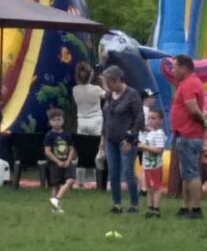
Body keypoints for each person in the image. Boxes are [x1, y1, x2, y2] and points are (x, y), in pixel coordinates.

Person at [101, 66, 144, 214]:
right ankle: (117, 204)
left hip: (126, 139)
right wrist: (102, 139)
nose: (108, 87)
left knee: (127, 171)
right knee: (113, 172)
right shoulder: (109, 95)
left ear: (117, 80)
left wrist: (130, 138)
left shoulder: (132, 94)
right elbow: (106, 118)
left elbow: (139, 118)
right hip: (110, 139)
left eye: (110, 83)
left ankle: (134, 204)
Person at [170, 54, 207, 219]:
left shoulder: (189, 83)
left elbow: (193, 109)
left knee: (191, 173)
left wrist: (205, 122)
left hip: (189, 134)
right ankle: (185, 206)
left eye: (174, 67)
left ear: (184, 68)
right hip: (185, 134)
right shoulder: (188, 83)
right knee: (186, 173)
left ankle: (196, 209)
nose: (173, 71)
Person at [44, 108, 76, 213]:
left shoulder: (67, 135)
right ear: (50, 122)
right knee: (56, 186)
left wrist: (68, 161)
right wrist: (58, 161)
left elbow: (71, 149)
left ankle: (57, 199)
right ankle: (55, 208)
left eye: (59, 119)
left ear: (63, 120)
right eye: (54, 120)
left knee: (70, 180)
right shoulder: (49, 135)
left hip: (67, 163)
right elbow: (47, 151)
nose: (57, 122)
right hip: (54, 164)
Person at [138, 108, 167, 218]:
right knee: (149, 188)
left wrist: (144, 146)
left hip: (154, 166)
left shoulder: (159, 134)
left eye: (153, 118)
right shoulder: (151, 133)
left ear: (160, 120)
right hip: (147, 165)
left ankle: (156, 210)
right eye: (149, 118)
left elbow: (159, 150)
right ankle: (150, 208)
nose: (150, 120)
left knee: (156, 188)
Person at [72, 62, 106, 136]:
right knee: (96, 142)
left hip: (81, 122)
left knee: (84, 142)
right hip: (95, 121)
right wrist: (103, 82)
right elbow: (108, 96)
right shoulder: (96, 89)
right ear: (91, 75)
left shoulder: (75, 89)